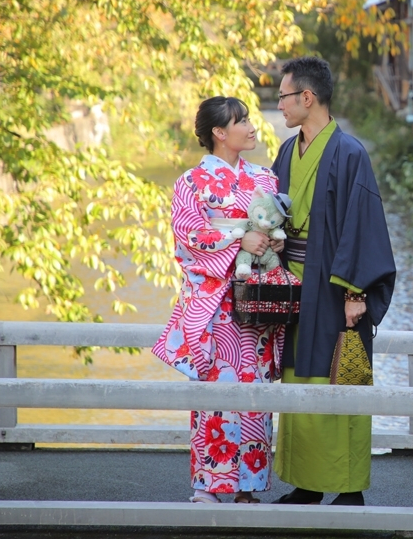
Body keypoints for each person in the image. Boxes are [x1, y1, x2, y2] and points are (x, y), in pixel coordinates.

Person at [271, 56, 396, 506]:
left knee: (337, 378)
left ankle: (347, 488)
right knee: (298, 378)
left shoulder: (350, 153)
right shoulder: (287, 151)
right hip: (293, 286)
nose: (278, 104)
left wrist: (356, 293)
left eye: (283, 96)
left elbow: (362, 225)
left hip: (335, 288)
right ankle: (306, 483)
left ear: (307, 97)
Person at [152, 96, 286, 504]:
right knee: (215, 393)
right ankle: (208, 485)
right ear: (219, 133)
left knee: (254, 393)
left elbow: (282, 229)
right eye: (241, 120)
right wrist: (237, 238)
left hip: (256, 300)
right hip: (217, 307)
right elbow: (187, 239)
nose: (251, 126)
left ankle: (248, 487)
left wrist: (269, 245)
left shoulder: (265, 179)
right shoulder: (191, 182)